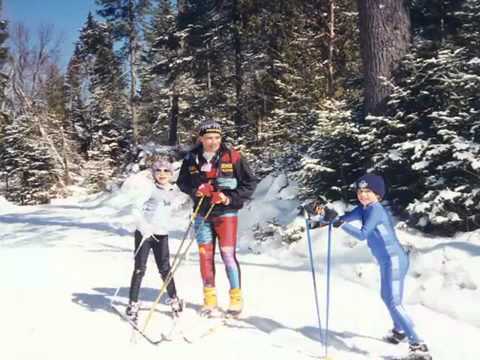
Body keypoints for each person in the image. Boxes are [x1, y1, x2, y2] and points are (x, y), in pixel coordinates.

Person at [313, 174, 431, 360]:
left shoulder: (376, 210)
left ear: (378, 195)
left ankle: (418, 345)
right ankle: (399, 332)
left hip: (393, 260)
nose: (363, 195)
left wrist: (339, 223)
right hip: (387, 261)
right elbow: (342, 218)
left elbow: (362, 234)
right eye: (360, 191)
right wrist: (323, 215)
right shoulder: (363, 209)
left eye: (368, 191)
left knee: (393, 301)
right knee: (388, 297)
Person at [177, 121, 257, 317]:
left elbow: (250, 183)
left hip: (226, 213)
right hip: (202, 213)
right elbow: (182, 182)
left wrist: (229, 197)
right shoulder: (191, 158)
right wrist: (196, 191)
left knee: (228, 254)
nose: (213, 142)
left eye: (216, 138)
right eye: (208, 138)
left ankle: (236, 298)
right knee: (205, 255)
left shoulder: (234, 156)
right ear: (201, 139)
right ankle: (209, 299)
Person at [124, 159, 184, 322]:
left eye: (166, 171)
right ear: (153, 173)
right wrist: (143, 226)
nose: (162, 174)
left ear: (171, 174)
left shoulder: (173, 190)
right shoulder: (148, 189)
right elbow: (135, 209)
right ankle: (133, 303)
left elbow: (173, 206)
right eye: (158, 171)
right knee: (139, 269)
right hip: (145, 234)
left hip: (161, 234)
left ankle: (174, 299)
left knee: (165, 269)